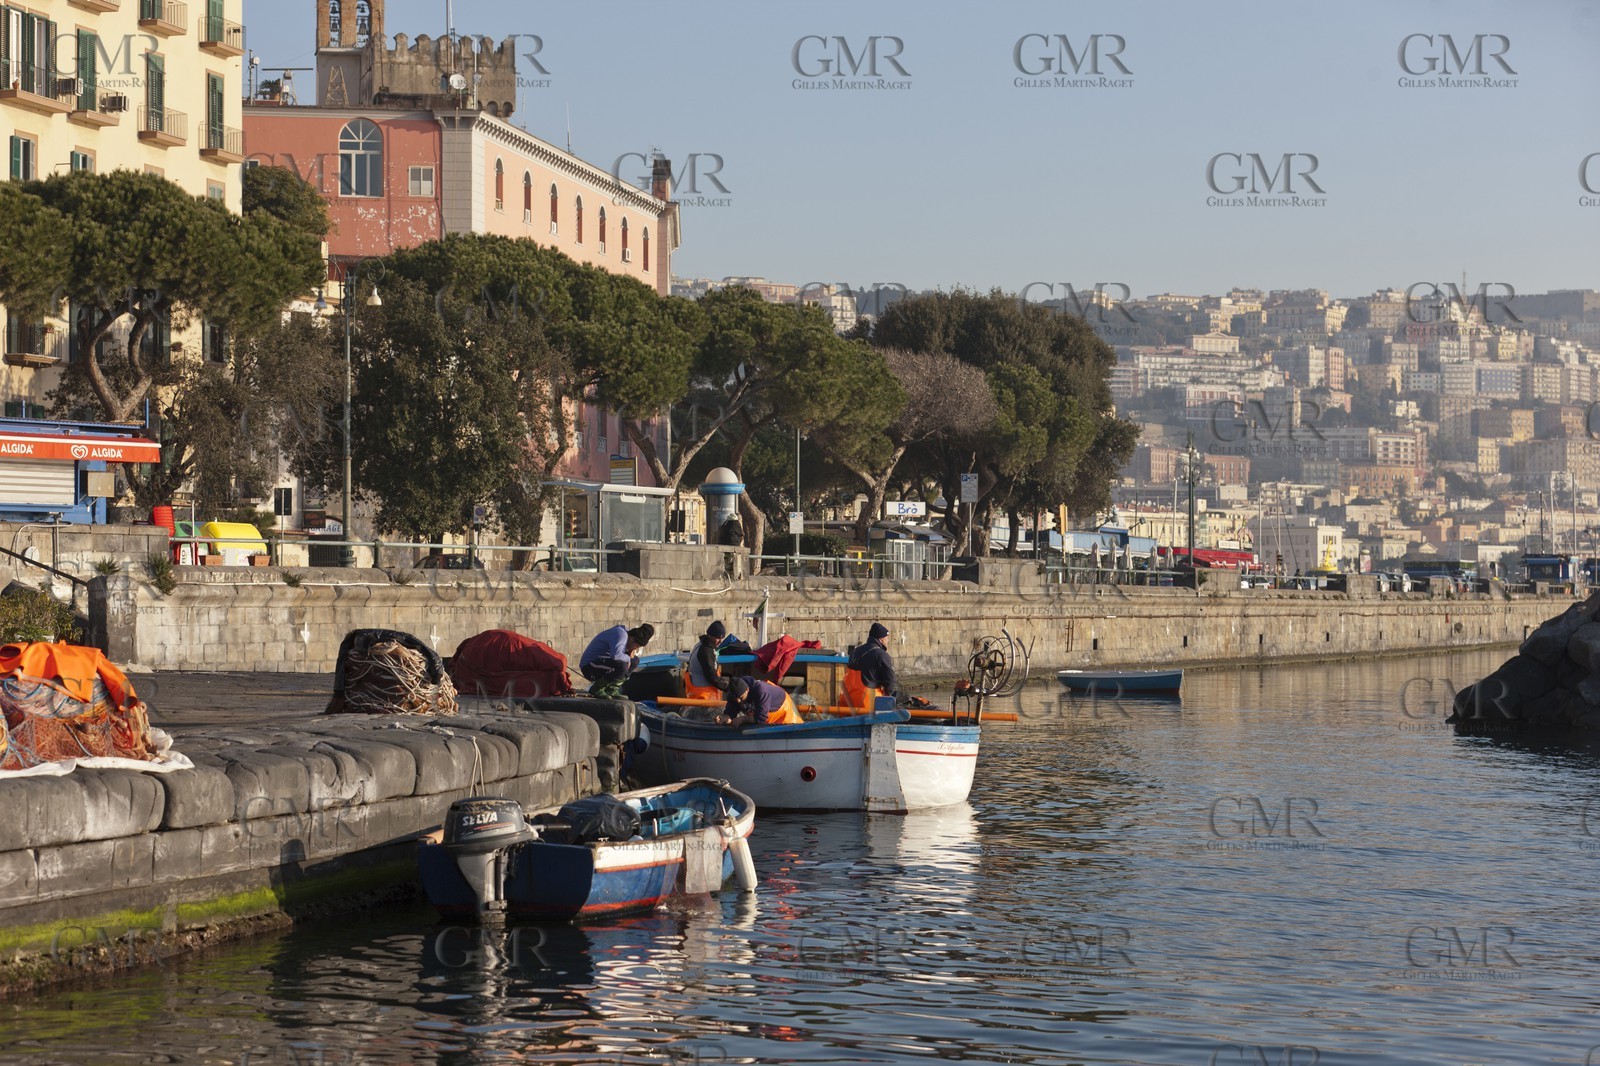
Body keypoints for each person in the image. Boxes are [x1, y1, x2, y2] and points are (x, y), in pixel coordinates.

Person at [578, 623, 654, 698]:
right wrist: (628, 658)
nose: (636, 649)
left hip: (602, 664)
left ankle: (612, 689)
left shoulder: (627, 637)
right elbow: (616, 656)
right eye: (637, 646)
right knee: (622, 665)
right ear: (632, 639)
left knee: (635, 661)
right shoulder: (621, 634)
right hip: (589, 667)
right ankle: (597, 688)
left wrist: (630, 654)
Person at [844, 622, 898, 712]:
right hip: (867, 703)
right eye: (886, 638)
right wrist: (888, 693)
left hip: (848, 701)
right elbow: (890, 680)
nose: (888, 641)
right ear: (881, 639)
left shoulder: (856, 651)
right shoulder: (881, 654)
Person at [717, 675, 803, 727]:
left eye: (741, 697)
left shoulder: (761, 691)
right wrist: (725, 718)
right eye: (735, 698)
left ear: (747, 690)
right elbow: (730, 713)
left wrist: (742, 719)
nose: (738, 701)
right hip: (763, 717)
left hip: (783, 711)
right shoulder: (733, 695)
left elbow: (761, 718)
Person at [685, 620, 729, 700]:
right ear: (710, 636)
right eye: (718, 638)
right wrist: (728, 687)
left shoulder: (701, 645)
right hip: (703, 694)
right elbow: (711, 676)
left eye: (722, 638)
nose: (720, 641)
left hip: (698, 692)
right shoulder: (706, 651)